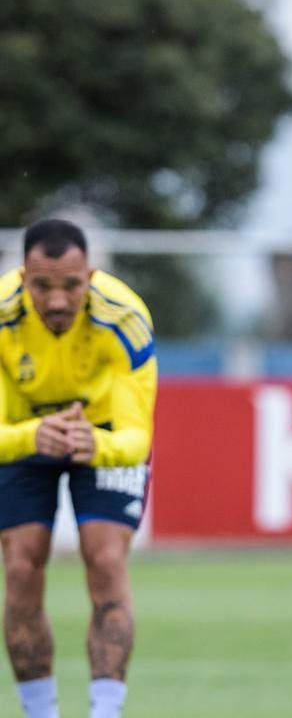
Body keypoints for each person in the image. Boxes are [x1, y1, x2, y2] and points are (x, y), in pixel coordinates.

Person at [0, 219, 157, 718]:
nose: (58, 301)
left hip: (102, 434)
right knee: (22, 565)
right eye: (42, 286)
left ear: (90, 276)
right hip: (23, 431)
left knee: (105, 559)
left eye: (71, 285)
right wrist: (31, 436)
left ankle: (104, 713)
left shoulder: (125, 318)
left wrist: (99, 446)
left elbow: (138, 438)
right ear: (23, 278)